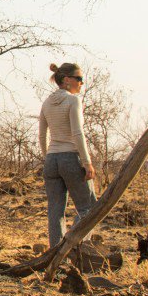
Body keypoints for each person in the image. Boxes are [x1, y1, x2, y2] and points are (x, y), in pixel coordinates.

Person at [38, 63, 97, 247]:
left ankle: (56, 254)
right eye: (78, 78)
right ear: (66, 80)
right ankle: (72, 247)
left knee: (55, 212)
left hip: (51, 160)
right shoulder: (73, 101)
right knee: (89, 208)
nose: (81, 82)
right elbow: (77, 133)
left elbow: (41, 135)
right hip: (71, 157)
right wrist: (86, 162)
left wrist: (47, 156)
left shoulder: (46, 103)